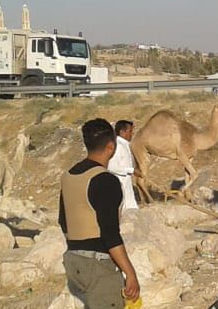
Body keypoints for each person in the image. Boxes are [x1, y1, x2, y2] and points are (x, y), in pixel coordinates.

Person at [59, 118, 140, 308]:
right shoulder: (106, 181)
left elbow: (63, 222)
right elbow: (110, 235)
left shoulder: (68, 175)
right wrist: (130, 273)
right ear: (111, 147)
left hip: (74, 262)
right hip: (98, 266)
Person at [108, 120, 138, 211]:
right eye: (130, 131)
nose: (132, 134)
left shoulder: (125, 145)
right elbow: (111, 167)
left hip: (126, 185)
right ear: (122, 132)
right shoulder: (118, 146)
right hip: (120, 186)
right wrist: (132, 170)